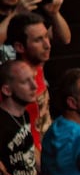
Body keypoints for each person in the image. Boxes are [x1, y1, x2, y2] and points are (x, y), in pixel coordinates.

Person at [7, 12, 51, 153]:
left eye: (46, 36)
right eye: (38, 40)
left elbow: (66, 38)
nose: (47, 45)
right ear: (20, 47)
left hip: (49, 153)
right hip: (31, 163)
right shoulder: (12, 82)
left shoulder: (38, 66)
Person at [0, 59, 38, 175]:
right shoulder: (2, 124)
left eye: (33, 78)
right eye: (25, 82)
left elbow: (30, 151)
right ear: (7, 90)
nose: (34, 86)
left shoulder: (24, 115)